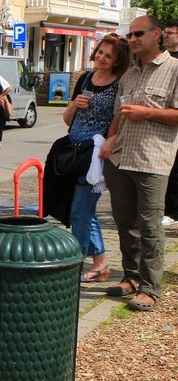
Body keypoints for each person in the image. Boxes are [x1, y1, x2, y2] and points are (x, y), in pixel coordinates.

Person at [101, 15, 178, 312]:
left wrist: (147, 113)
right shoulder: (130, 74)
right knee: (125, 224)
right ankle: (131, 277)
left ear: (157, 34)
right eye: (130, 35)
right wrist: (110, 140)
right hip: (121, 158)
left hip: (152, 160)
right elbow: (118, 115)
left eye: (138, 34)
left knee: (149, 226)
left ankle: (150, 288)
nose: (132, 39)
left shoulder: (173, 69)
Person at [59, 34, 129, 283]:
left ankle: (73, 265)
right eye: (100, 52)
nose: (102, 58)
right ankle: (100, 264)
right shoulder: (85, 79)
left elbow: (120, 119)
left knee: (80, 211)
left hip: (96, 156)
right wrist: (75, 104)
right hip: (74, 152)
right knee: (83, 210)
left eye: (109, 56)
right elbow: (67, 120)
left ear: (117, 61)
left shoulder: (120, 84)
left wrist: (111, 139)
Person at [162, 19, 178, 227]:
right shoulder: (162, 58)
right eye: (164, 32)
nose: (165, 36)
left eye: (170, 33)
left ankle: (173, 211)